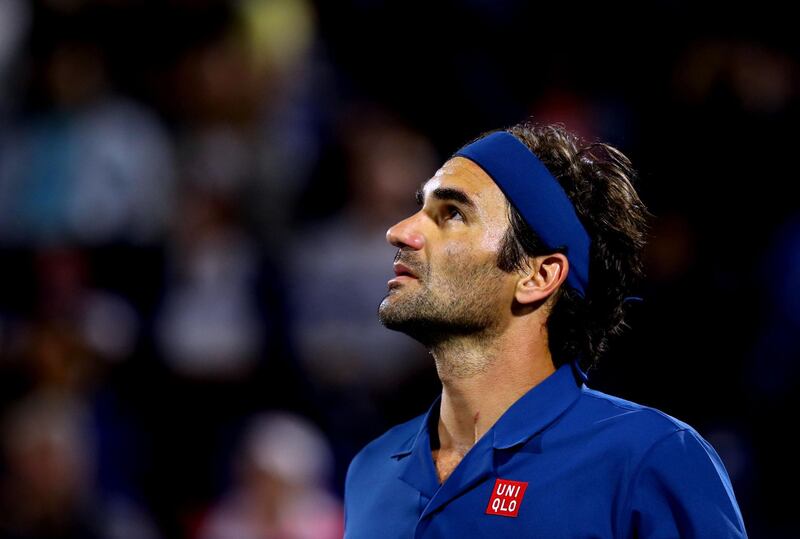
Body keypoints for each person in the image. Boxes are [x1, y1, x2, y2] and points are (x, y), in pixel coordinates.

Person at [342, 120, 748, 538]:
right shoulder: (370, 469)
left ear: (539, 276)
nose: (399, 231)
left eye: (453, 214)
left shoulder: (649, 458)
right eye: (421, 208)